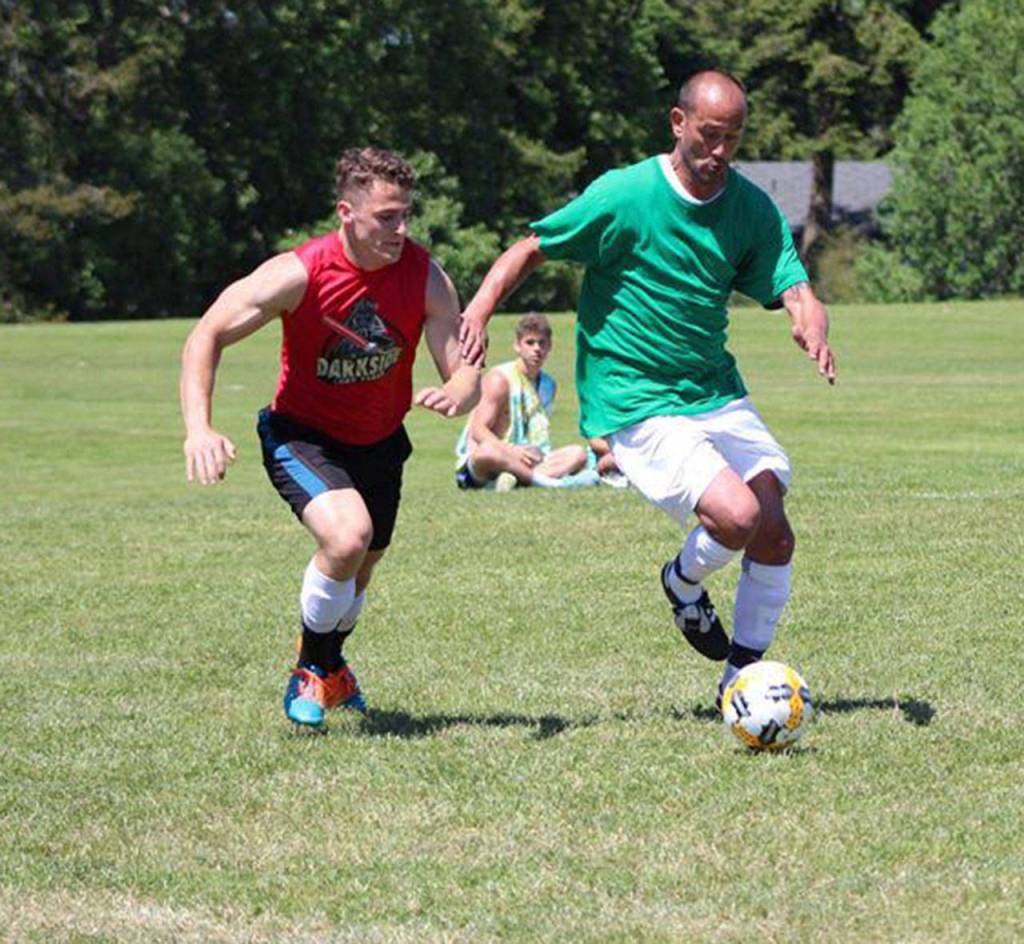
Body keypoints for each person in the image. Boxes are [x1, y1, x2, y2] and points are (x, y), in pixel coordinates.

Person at [459, 70, 836, 706]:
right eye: (709, 136)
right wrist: (477, 308)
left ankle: (738, 680)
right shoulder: (625, 195)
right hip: (636, 398)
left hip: (713, 388)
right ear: (678, 123)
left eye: (733, 139)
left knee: (774, 531)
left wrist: (810, 321)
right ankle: (683, 582)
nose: (719, 153)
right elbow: (532, 248)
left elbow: (794, 286)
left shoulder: (747, 207)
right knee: (736, 516)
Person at [180, 147, 479, 730]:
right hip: (303, 437)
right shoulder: (300, 272)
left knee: (359, 571)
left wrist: (461, 393)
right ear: (347, 212)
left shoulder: (425, 276)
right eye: (386, 217)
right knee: (347, 539)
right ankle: (310, 669)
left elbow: (462, 368)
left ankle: (332, 667)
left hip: (381, 444)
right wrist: (199, 427)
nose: (401, 229)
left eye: (405, 215)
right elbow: (206, 334)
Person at [454, 312, 598, 490]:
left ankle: (514, 479)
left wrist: (532, 452)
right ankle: (545, 482)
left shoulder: (548, 385)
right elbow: (478, 430)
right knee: (486, 452)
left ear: (549, 346)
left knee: (577, 454)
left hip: (526, 458)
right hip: (493, 458)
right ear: (517, 346)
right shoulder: (499, 379)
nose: (536, 349)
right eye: (530, 343)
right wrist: (511, 451)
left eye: (542, 343)